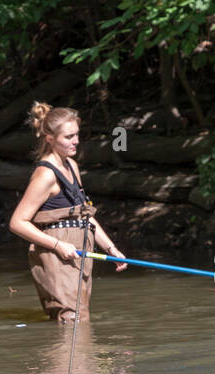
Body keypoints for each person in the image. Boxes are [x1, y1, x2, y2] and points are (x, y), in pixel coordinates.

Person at [9, 103, 127, 322]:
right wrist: (58, 246)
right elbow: (17, 222)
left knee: (81, 317)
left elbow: (85, 216)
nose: (76, 141)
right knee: (70, 319)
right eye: (69, 137)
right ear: (50, 139)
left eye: (77, 135)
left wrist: (111, 249)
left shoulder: (71, 165)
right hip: (56, 255)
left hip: (79, 254)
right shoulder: (45, 175)